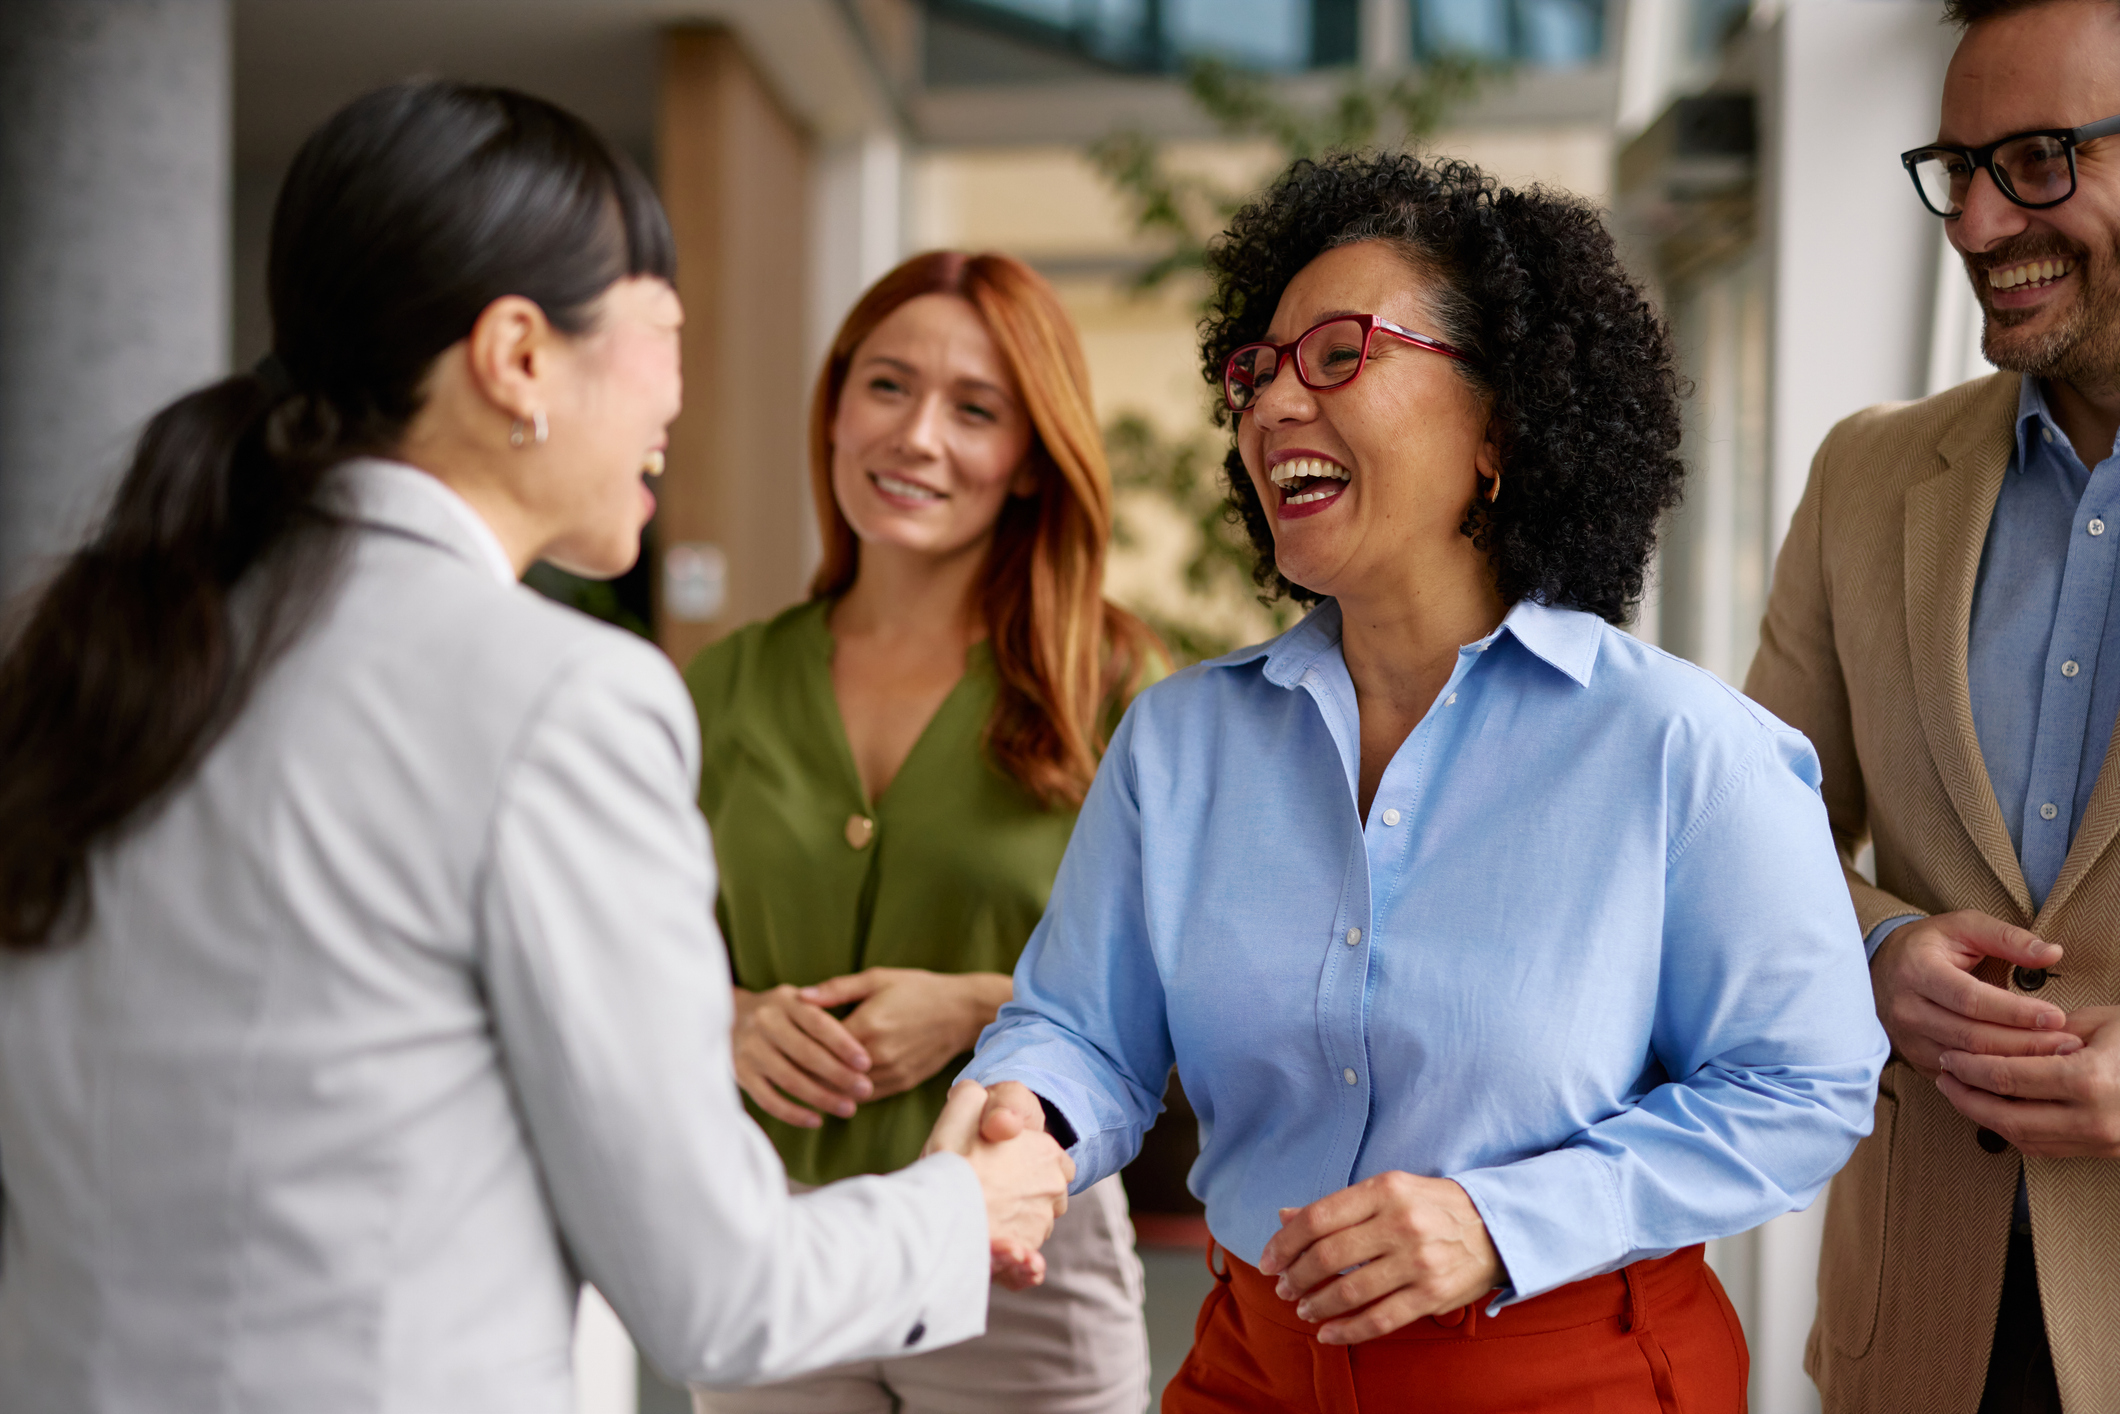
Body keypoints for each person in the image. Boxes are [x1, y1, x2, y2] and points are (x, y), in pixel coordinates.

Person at [0, 81, 1072, 1414]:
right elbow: (721, 1286)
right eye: (665, 333)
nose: (677, 395)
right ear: (518, 355)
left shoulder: (100, 648)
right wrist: (964, 1207)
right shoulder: (565, 698)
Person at [957, 150, 1890, 1414]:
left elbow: (1802, 1086)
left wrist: (1498, 1220)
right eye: (1256, 370)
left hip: (1572, 1371)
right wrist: (1024, 1114)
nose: (1273, 403)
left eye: (1338, 353)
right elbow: (1080, 1031)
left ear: (1500, 424)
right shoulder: (1178, 742)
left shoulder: (1684, 749)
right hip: (1251, 1367)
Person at [684, 250, 1160, 1414]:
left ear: (1031, 463)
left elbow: (1187, 982)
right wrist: (732, 1018)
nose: (916, 437)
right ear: (836, 405)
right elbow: (626, 952)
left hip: (1021, 1252)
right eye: (887, 386)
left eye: (975, 409)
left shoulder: (1113, 685)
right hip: (773, 1243)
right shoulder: (728, 681)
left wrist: (971, 1006)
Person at [1748, 2, 2120, 1410]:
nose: (1973, 222)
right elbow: (1748, 837)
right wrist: (1882, 947)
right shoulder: (1865, 474)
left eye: (2033, 158)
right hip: (1921, 1330)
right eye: (1955, 167)